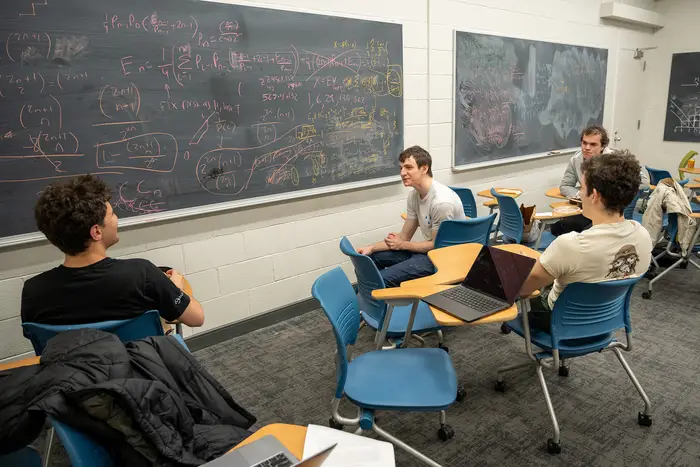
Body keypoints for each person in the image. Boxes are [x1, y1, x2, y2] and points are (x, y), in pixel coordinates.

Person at [21, 174, 205, 329]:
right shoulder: (142, 274)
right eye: (112, 214)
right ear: (96, 232)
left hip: (69, 371)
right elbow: (196, 318)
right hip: (139, 369)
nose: (117, 219)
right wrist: (175, 289)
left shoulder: (33, 291)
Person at [519, 149, 653, 330]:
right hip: (607, 322)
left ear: (594, 195)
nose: (579, 194)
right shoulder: (644, 237)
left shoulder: (570, 245)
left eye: (581, 188)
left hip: (561, 323)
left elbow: (524, 288)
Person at [357, 146, 466, 287]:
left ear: (424, 169)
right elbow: (404, 237)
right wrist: (371, 247)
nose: (403, 173)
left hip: (445, 258)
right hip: (429, 253)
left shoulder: (441, 202)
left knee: (382, 280)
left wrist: (402, 245)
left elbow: (436, 246)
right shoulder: (414, 196)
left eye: (408, 167)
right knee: (371, 259)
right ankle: (369, 304)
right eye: (401, 168)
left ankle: (385, 305)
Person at [552, 124, 649, 236]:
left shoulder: (616, 161)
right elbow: (565, 185)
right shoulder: (575, 160)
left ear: (603, 146)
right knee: (557, 227)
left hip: (611, 210)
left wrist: (611, 191)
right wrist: (581, 194)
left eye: (593, 144)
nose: (587, 148)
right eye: (584, 143)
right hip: (589, 206)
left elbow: (644, 182)